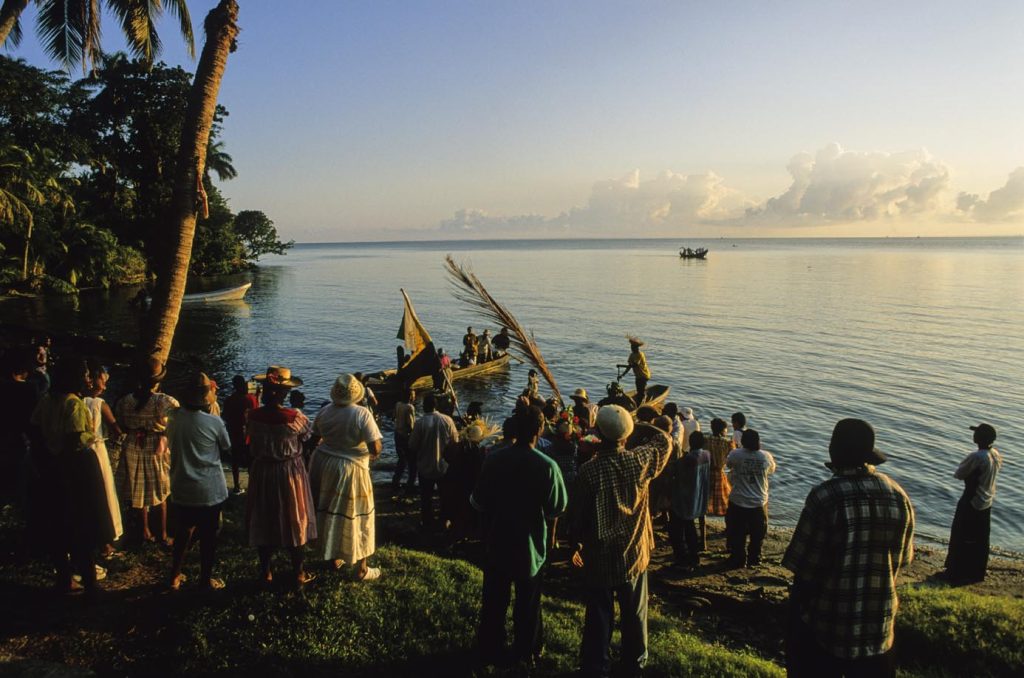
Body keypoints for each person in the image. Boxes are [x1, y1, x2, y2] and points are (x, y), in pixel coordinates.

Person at [783, 418, 914, 678]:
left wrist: (793, 621)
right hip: (879, 627)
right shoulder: (898, 495)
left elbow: (805, 570)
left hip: (827, 625)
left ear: (834, 450)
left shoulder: (825, 496)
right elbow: (901, 561)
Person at [571, 405, 672, 678]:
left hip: (600, 554)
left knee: (599, 616)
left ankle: (596, 666)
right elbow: (665, 440)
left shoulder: (588, 472)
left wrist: (575, 544)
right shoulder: (639, 461)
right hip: (634, 552)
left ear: (598, 435)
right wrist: (636, 424)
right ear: (626, 435)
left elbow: (578, 518)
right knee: (635, 614)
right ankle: (634, 664)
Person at [472, 406, 568, 673]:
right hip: (530, 548)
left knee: (493, 602)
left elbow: (478, 502)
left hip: (498, 542)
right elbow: (556, 509)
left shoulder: (494, 459)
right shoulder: (548, 467)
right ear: (540, 430)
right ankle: (527, 651)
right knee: (528, 605)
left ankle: (490, 649)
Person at [30, 356, 111, 595]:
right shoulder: (74, 404)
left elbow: (34, 429)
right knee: (83, 524)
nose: (88, 379)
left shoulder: (46, 401)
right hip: (76, 469)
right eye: (85, 375)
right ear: (75, 378)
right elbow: (74, 440)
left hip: (50, 466)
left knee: (57, 523)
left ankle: (65, 578)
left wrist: (45, 458)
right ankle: (90, 583)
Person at [245, 366, 317, 587]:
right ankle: (298, 572)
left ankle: (265, 571)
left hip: (263, 471)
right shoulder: (295, 417)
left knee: (264, 516)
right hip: (289, 472)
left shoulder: (253, 416)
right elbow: (309, 440)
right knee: (295, 518)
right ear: (282, 393)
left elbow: (250, 443)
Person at [309, 374, 384, 581]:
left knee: (329, 511)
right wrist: (371, 454)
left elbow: (314, 438)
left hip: (324, 463)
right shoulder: (362, 414)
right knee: (358, 514)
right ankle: (361, 567)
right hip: (350, 467)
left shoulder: (325, 411)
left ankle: (332, 556)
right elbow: (375, 446)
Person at [166, 372, 231, 591]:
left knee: (183, 532)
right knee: (209, 536)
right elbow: (226, 447)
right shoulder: (214, 422)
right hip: (209, 489)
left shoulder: (173, 418)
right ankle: (204, 580)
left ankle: (174, 575)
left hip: (181, 485)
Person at [116, 357, 178, 545]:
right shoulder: (165, 402)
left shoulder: (126, 401)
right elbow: (177, 422)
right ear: (158, 380)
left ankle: (144, 530)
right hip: (156, 445)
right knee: (160, 490)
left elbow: (122, 422)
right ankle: (162, 534)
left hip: (134, 443)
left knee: (139, 488)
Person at [944, 423, 1002, 584]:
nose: (974, 435)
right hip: (987, 501)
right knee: (980, 540)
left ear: (981, 438)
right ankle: (975, 572)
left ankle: (955, 571)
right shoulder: (995, 454)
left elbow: (959, 474)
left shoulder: (977, 457)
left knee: (960, 535)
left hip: (972, 500)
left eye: (976, 433)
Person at [83, 360, 123, 558]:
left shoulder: (76, 400)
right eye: (103, 382)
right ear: (92, 381)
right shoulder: (100, 404)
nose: (105, 386)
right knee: (105, 491)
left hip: (80, 451)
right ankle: (107, 539)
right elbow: (117, 430)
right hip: (97, 450)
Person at [725, 429, 776, 568]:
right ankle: (755, 557)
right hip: (759, 501)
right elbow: (771, 470)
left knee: (737, 532)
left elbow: (728, 465)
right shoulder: (765, 456)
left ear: (743, 441)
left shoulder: (736, 454)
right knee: (757, 534)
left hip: (738, 500)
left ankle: (738, 557)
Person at [409, 392, 459, 528]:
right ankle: (444, 519)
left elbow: (412, 445)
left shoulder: (420, 423)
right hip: (443, 466)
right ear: (436, 406)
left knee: (426, 497)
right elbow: (455, 442)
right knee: (445, 495)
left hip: (425, 466)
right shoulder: (447, 420)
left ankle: (427, 521)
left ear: (425, 406)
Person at [669, 431, 710, 570]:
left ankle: (682, 559)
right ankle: (694, 557)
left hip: (684, 500)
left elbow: (674, 471)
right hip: (698, 498)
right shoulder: (706, 455)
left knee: (678, 531)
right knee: (690, 528)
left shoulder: (688, 459)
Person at [442, 424, 487, 543]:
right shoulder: (478, 451)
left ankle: (453, 532)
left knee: (455, 509)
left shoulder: (457, 447)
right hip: (468, 485)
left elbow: (446, 455)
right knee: (465, 512)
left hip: (454, 482)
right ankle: (462, 535)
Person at [221, 375, 258, 495]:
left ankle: (236, 486)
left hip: (234, 432)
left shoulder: (229, 400)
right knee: (251, 460)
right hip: (248, 434)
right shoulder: (251, 399)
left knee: (235, 461)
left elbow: (225, 416)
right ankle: (252, 486)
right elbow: (256, 413)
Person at [391, 388, 417, 497]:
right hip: (405, 436)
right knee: (412, 462)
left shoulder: (398, 404)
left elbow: (393, 417)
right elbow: (410, 425)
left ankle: (395, 482)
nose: (414, 397)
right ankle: (410, 485)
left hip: (397, 434)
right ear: (411, 397)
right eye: (413, 395)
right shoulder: (409, 407)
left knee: (401, 460)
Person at [706, 418, 734, 517]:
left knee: (705, 498)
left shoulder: (705, 440)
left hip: (707, 472)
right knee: (724, 500)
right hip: (719, 473)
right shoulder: (727, 443)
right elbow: (732, 460)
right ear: (723, 430)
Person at [618, 337, 651, 403]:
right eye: (631, 347)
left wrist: (622, 366)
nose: (631, 349)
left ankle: (642, 401)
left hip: (644, 375)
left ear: (636, 348)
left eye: (632, 347)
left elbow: (635, 364)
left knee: (641, 390)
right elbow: (629, 367)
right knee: (639, 389)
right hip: (638, 376)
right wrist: (622, 375)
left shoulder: (640, 354)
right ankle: (641, 398)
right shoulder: (631, 355)